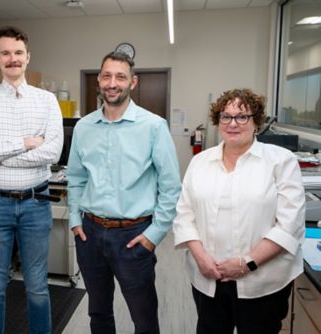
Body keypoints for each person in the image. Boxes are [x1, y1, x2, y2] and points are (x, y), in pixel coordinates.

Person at [173, 88, 305, 334]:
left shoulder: (281, 161)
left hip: (262, 281)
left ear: (256, 122)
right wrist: (201, 258)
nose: (233, 123)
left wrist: (246, 263)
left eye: (242, 117)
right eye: (226, 116)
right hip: (208, 277)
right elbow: (184, 215)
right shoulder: (200, 162)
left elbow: (290, 225)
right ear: (218, 121)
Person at [67, 51, 181, 334]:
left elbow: (171, 187)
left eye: (120, 76)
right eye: (106, 76)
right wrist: (74, 220)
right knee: (98, 313)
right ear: (99, 81)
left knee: (143, 319)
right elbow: (76, 178)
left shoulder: (153, 126)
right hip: (90, 234)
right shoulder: (84, 127)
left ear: (133, 82)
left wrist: (154, 236)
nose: (112, 83)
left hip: (133, 236)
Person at [0, 26, 63, 334]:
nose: (12, 59)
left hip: (35, 202)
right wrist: (26, 141)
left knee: (37, 287)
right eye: (5, 53)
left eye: (18, 53)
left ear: (28, 56)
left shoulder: (46, 100)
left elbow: (52, 151)